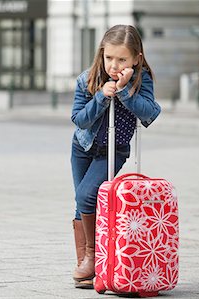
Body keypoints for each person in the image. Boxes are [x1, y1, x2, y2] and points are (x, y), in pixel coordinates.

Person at [70, 24, 161, 289]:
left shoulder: (141, 80)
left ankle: (92, 258)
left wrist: (123, 91)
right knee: (82, 202)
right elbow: (79, 120)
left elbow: (149, 114)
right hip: (83, 147)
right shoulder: (88, 78)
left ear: (136, 58)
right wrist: (100, 96)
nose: (114, 65)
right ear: (102, 54)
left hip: (114, 149)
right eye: (109, 58)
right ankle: (89, 270)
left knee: (87, 195)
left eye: (122, 59)